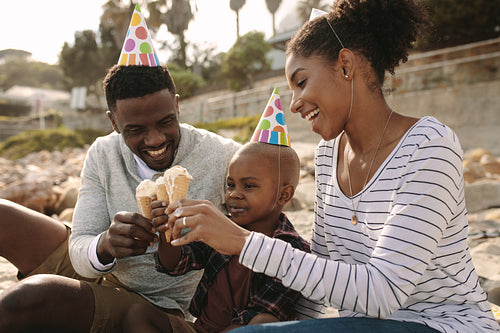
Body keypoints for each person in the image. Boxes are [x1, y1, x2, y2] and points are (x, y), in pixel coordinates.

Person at [152, 1, 500, 332]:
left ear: (346, 66)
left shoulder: (428, 147)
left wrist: (242, 242)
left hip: (440, 326)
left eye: (301, 82)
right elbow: (316, 280)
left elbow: (384, 292)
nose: (295, 103)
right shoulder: (327, 154)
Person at [0, 65, 240, 332]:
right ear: (113, 123)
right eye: (135, 130)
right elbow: (80, 245)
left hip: (155, 306)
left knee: (27, 299)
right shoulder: (103, 153)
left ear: (177, 106)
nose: (156, 139)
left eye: (165, 122)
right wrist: (104, 245)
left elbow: (264, 231)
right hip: (100, 274)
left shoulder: (224, 156)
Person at [123, 140, 310, 332]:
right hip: (202, 329)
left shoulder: (293, 250)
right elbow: (176, 264)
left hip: (244, 330)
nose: (234, 194)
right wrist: (166, 230)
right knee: (138, 315)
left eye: (249, 186)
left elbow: (263, 315)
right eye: (230, 185)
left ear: (283, 195)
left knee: (264, 322)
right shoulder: (221, 227)